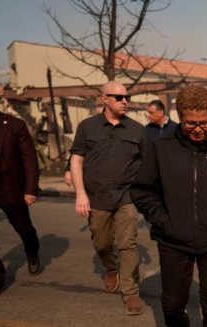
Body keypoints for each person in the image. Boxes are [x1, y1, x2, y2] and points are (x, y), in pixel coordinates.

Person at [130, 85, 207, 326]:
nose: (199, 129)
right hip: (173, 240)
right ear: (181, 117)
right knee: (172, 305)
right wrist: (162, 219)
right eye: (192, 123)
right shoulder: (161, 148)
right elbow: (141, 190)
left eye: (204, 122)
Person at [70, 81, 147, 315]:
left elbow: (147, 164)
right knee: (102, 243)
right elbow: (76, 160)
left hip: (126, 196)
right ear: (105, 99)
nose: (125, 101)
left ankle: (131, 293)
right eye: (118, 97)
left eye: (127, 97)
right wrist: (80, 194)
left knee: (128, 244)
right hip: (97, 196)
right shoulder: (87, 127)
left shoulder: (137, 129)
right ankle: (110, 267)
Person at [0, 82, 42, 300]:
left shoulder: (14, 125)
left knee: (24, 228)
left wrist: (30, 188)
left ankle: (32, 252)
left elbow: (29, 159)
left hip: (10, 188)